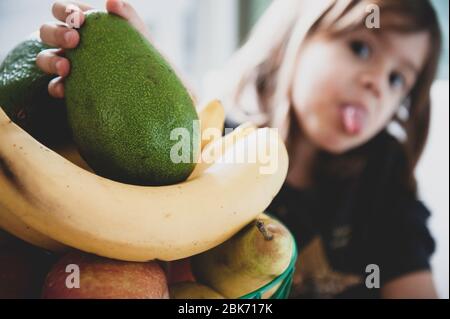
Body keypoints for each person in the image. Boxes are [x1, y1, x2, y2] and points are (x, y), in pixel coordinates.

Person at [36, 0, 442, 298]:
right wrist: (138, 70)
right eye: (361, 49)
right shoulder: (223, 147)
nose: (376, 83)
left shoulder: (382, 177)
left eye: (397, 80)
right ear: (294, 41)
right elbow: (176, 138)